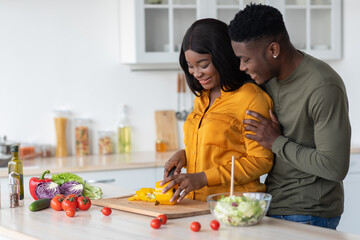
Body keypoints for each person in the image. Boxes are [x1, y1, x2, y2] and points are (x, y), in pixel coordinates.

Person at [228, 4, 351, 230]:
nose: (242, 67)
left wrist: (276, 141)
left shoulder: (323, 86)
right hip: (272, 205)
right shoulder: (266, 79)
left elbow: (335, 166)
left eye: (246, 59)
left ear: (273, 49)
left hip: (309, 212)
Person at [160, 18, 274, 203]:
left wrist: (203, 178)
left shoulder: (250, 98)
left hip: (236, 206)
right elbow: (219, 149)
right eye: (190, 66)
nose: (196, 73)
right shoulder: (202, 97)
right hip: (196, 204)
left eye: (204, 65)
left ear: (223, 57)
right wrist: (184, 155)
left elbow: (261, 161)